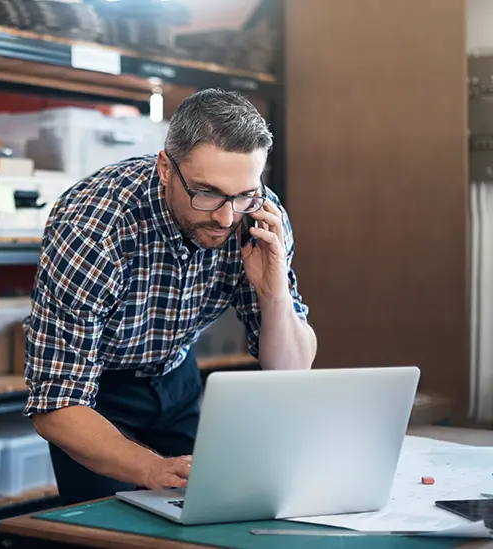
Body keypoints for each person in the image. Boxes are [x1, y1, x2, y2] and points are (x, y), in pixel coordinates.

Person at [22, 88, 317, 505]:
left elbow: (291, 370)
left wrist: (275, 296)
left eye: (243, 194)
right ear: (165, 168)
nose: (225, 217)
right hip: (95, 395)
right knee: (114, 534)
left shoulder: (258, 215)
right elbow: (55, 405)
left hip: (177, 377)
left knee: (210, 513)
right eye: (207, 192)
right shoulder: (94, 228)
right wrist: (152, 469)